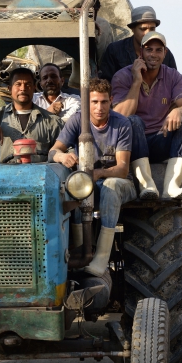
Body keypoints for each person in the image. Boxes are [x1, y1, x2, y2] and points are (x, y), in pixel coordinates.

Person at [49, 78, 136, 278]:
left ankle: (101, 258)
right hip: (89, 184)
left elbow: (122, 169)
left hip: (119, 184)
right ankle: (80, 250)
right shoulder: (78, 120)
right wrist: (62, 156)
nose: (99, 107)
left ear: (111, 101)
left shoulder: (121, 124)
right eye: (94, 102)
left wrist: (99, 173)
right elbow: (53, 152)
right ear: (87, 103)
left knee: (111, 186)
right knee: (75, 187)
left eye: (104, 102)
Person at [112, 31, 182, 200]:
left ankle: (171, 186)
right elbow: (120, 116)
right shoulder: (122, 76)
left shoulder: (172, 75)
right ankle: (147, 185)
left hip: (161, 139)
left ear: (165, 53)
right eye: (149, 49)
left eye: (159, 50)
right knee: (133, 120)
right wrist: (136, 81)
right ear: (140, 53)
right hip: (132, 145)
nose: (154, 54)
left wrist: (178, 110)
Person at [100, 6, 177, 82]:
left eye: (152, 29)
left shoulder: (166, 54)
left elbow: (175, 83)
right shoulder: (115, 50)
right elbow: (106, 85)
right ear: (132, 29)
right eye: (143, 29)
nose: (148, 33)